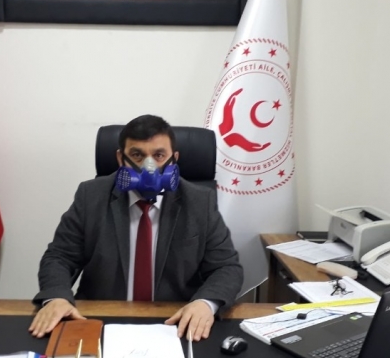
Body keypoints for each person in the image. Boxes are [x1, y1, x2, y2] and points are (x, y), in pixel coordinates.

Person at [29, 114, 243, 341]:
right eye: (137, 155)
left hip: (175, 322)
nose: (148, 167)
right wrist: (57, 298)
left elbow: (226, 267)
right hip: (101, 319)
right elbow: (60, 257)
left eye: (159, 155)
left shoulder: (200, 201)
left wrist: (205, 303)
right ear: (120, 158)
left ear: (174, 159)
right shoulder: (91, 196)